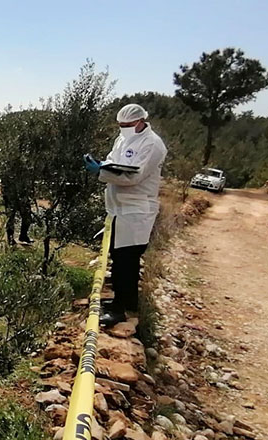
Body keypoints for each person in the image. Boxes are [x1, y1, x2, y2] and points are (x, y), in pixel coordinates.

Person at [85, 103, 167, 326]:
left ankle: (122, 309)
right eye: (121, 125)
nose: (124, 128)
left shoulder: (153, 144)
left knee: (127, 262)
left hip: (136, 212)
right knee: (117, 258)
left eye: (128, 125)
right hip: (118, 210)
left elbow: (134, 178)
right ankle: (118, 302)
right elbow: (113, 159)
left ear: (141, 121)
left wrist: (101, 172)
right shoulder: (122, 139)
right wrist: (103, 164)